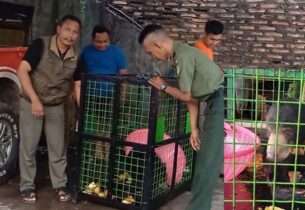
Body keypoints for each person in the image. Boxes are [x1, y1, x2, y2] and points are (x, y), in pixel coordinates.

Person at [138, 24, 224, 210]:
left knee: (208, 163)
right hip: (208, 103)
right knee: (203, 162)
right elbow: (192, 97)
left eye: (150, 52)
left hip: (216, 103)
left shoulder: (183, 56)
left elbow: (185, 95)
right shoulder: (181, 54)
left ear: (159, 45)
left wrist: (163, 87)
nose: (152, 56)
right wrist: (193, 129)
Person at [17, 14, 81, 203]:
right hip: (31, 101)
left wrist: (82, 111)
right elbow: (22, 70)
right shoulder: (41, 45)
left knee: (58, 147)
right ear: (59, 29)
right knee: (28, 146)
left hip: (56, 104)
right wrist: (35, 100)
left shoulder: (76, 56)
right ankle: (27, 186)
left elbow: (77, 85)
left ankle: (60, 185)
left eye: (75, 32)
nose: (70, 35)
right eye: (67, 29)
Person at [74, 24, 128, 158]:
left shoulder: (116, 52)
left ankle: (109, 153)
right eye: (99, 42)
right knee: (96, 125)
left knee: (109, 125)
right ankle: (99, 153)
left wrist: (123, 94)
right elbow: (78, 75)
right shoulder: (86, 52)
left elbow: (123, 74)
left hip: (111, 95)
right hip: (91, 95)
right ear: (92, 40)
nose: (103, 44)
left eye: (105, 41)